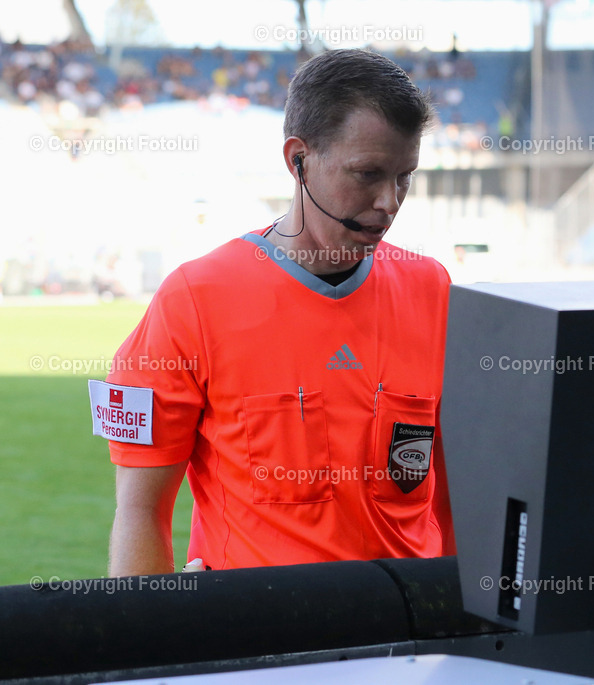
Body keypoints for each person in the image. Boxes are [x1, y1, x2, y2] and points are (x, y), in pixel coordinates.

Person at [92, 49, 455, 576]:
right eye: (367, 174)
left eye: (405, 176)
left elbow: (455, 495)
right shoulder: (195, 300)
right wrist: (157, 626)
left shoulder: (433, 290)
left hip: (406, 625)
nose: (389, 201)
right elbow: (141, 511)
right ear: (298, 159)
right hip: (255, 626)